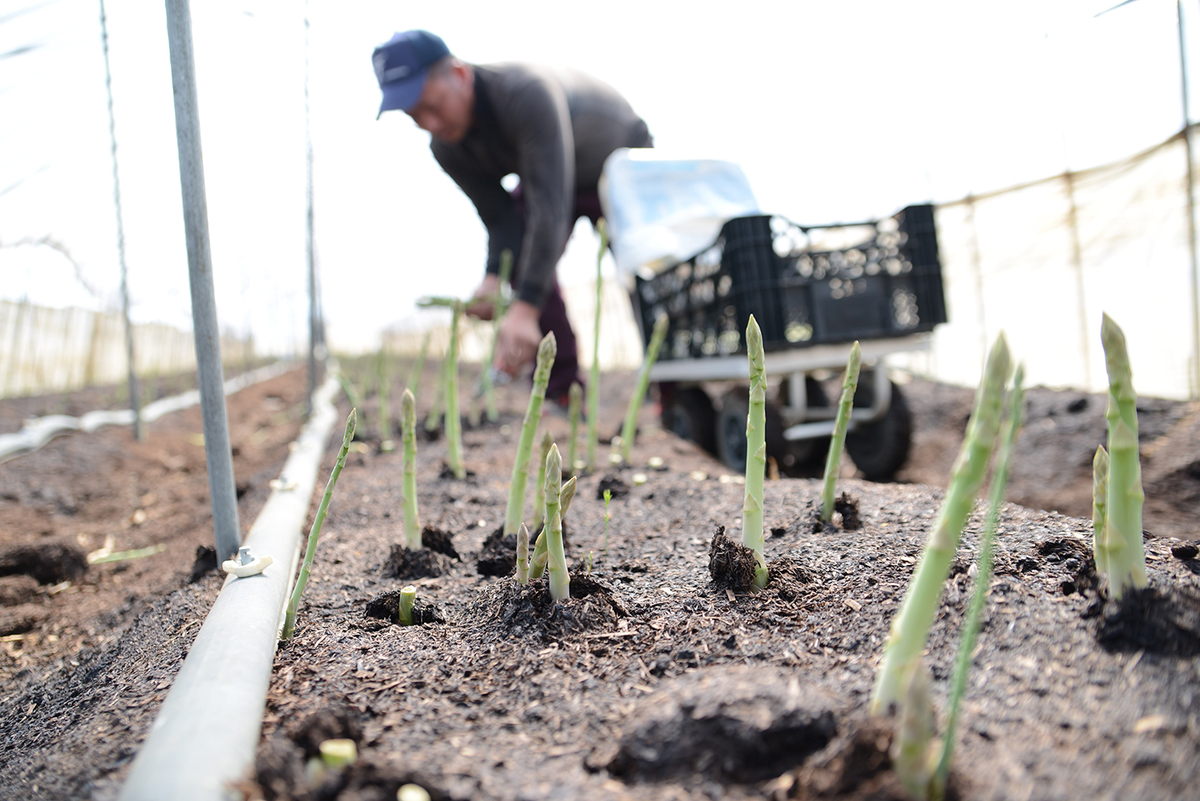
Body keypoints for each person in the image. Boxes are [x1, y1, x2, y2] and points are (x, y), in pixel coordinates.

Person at [373, 30, 653, 402]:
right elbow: (502, 219)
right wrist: (493, 279)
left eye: (433, 105)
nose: (431, 123)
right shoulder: (447, 149)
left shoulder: (525, 93)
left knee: (647, 271)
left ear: (458, 74)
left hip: (619, 162)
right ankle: (563, 392)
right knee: (524, 261)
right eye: (415, 116)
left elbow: (547, 205)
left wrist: (525, 306)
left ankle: (665, 388)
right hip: (553, 182)